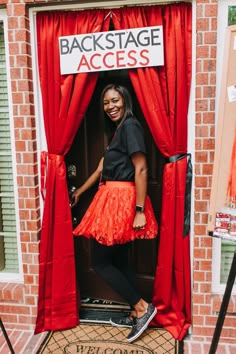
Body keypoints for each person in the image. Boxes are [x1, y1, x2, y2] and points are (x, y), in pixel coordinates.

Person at [72, 84, 158, 343]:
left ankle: (143, 307)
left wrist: (140, 210)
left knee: (100, 262)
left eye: (115, 100)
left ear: (125, 100)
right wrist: (80, 191)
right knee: (119, 260)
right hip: (112, 198)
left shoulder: (130, 126)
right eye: (106, 103)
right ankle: (135, 310)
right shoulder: (120, 130)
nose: (110, 106)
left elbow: (141, 168)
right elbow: (101, 167)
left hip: (122, 200)